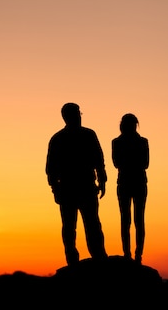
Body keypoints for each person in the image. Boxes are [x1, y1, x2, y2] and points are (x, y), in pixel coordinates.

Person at [46, 102, 108, 265]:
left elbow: (99, 161)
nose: (79, 116)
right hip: (71, 189)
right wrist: (55, 189)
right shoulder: (60, 138)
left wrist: (102, 180)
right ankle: (78, 261)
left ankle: (98, 258)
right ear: (68, 117)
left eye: (79, 113)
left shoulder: (76, 136)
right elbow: (51, 169)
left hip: (83, 187)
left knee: (89, 225)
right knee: (73, 228)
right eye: (77, 113)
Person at [112, 113, 149, 264]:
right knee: (129, 219)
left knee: (136, 220)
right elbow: (116, 163)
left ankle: (136, 254)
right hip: (128, 182)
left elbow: (145, 163)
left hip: (134, 182)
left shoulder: (141, 141)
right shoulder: (118, 142)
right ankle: (128, 254)